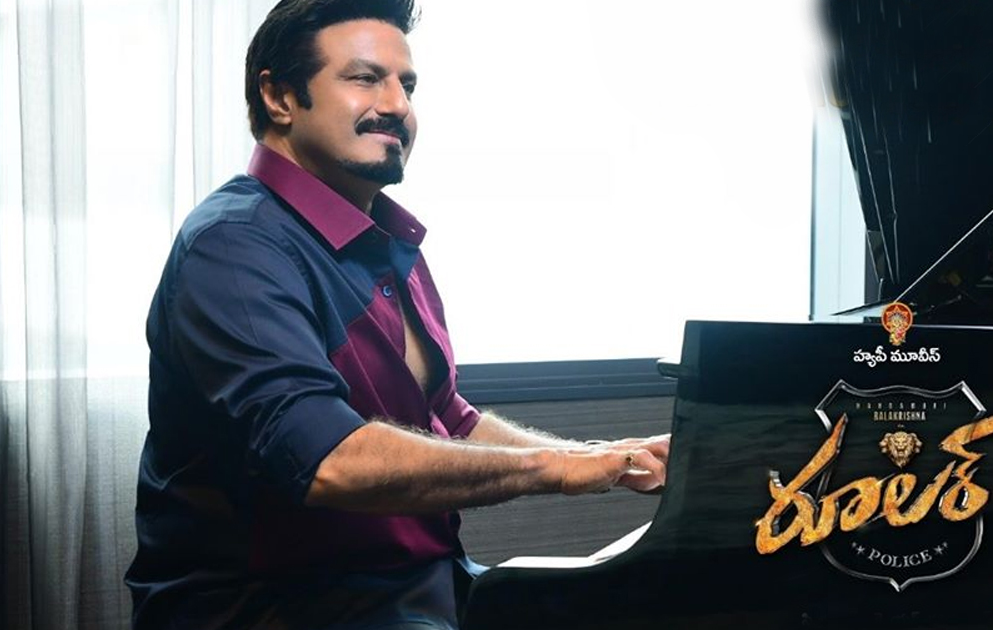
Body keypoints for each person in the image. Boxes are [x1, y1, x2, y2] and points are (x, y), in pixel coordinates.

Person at [124, 1, 670, 628]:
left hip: (422, 588)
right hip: (279, 607)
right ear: (279, 98)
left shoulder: (385, 239)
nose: (396, 105)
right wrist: (557, 469)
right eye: (364, 78)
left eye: (406, 85)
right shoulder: (233, 246)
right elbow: (328, 461)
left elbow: (448, 419)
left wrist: (603, 457)